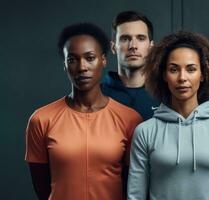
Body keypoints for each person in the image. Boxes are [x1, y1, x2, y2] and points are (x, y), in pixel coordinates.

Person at [25, 23, 142, 200]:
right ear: (64, 65)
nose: (82, 67)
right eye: (72, 59)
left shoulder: (129, 119)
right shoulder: (41, 119)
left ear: (103, 60)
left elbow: (131, 184)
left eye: (90, 57)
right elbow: (42, 188)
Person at [127, 31, 209, 200]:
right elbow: (135, 196)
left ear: (203, 74)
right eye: (174, 69)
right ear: (164, 76)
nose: (182, 78)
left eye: (191, 69)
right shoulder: (145, 132)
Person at [101, 11, 159, 120]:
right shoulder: (97, 95)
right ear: (113, 47)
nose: (133, 46)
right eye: (125, 39)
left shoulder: (165, 94)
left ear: (151, 47)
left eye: (141, 38)